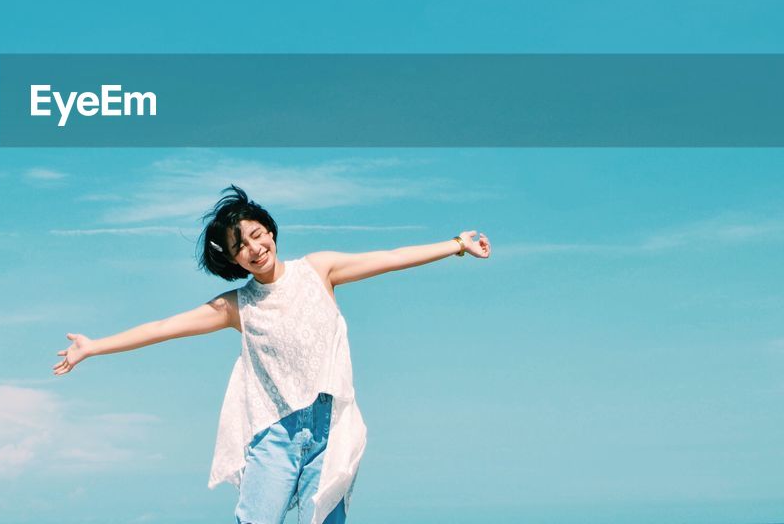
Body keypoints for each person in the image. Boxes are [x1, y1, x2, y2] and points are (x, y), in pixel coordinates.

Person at [53, 185, 491, 523]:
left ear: (270, 231)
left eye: (257, 234)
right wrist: (93, 347)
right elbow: (163, 328)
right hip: (275, 435)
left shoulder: (319, 270)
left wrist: (455, 244)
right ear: (234, 259)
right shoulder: (236, 306)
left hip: (331, 425)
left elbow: (390, 257)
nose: (255, 248)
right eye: (241, 245)